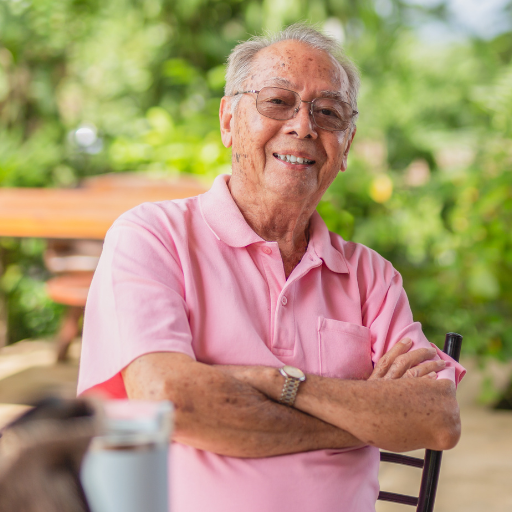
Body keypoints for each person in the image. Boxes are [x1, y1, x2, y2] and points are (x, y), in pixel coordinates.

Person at [78, 23, 465, 512]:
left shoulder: (372, 276)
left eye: (328, 112)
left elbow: (437, 417)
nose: (303, 127)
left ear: (346, 145)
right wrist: (363, 415)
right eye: (278, 102)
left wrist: (276, 383)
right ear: (228, 121)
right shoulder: (153, 236)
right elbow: (171, 399)